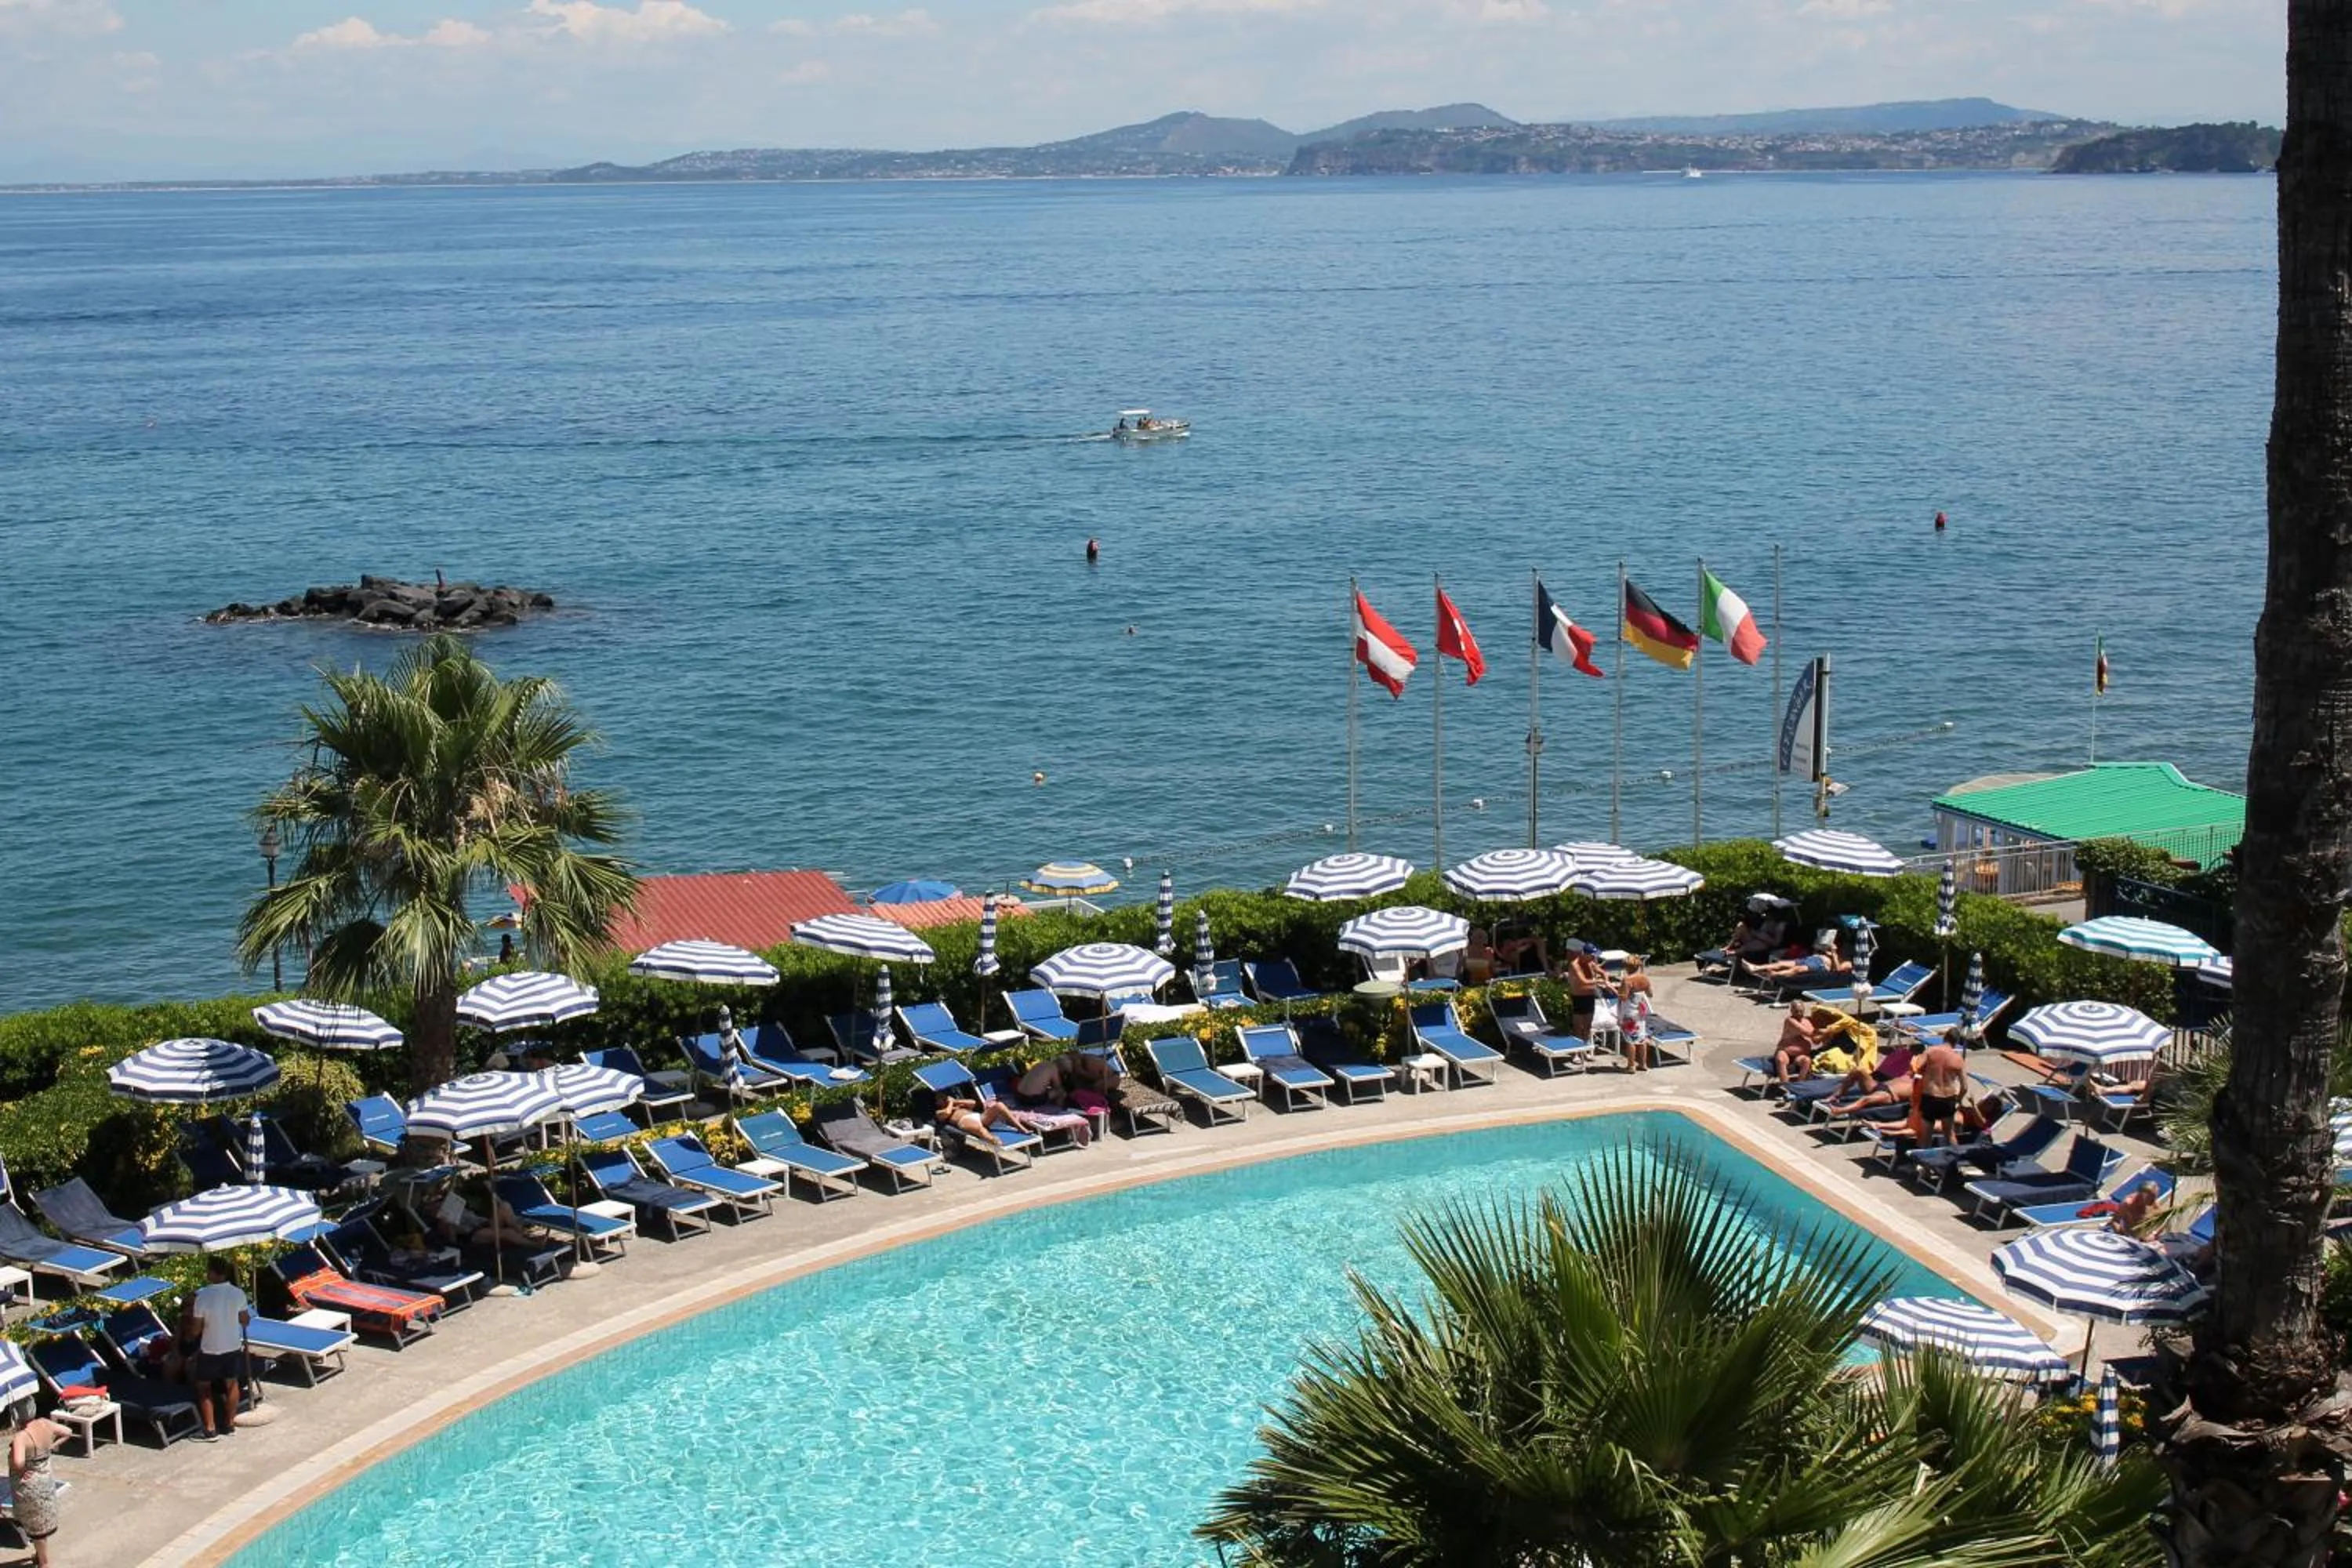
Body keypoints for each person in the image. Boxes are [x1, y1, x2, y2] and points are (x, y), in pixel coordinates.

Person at [186, 1255, 251, 1439]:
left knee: (204, 1387)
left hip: (210, 1349)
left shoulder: (202, 1296)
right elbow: (245, 1320)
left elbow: (196, 1330)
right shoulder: (238, 1293)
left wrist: (191, 1330)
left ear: (214, 1273)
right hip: (232, 1346)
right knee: (232, 1383)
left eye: (209, 1271)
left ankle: (210, 1428)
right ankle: (230, 1425)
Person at [8, 1402, 65, 1565]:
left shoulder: (21, 1437)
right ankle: (40, 1556)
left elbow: (18, 1462)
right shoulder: (45, 1424)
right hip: (45, 1480)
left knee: (35, 1526)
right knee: (41, 1523)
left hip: (29, 1486)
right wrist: (53, 1446)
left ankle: (44, 1562)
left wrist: (23, 1470)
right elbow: (68, 1431)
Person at [1915, 1030, 1970, 1147]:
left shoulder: (1931, 1051)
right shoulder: (1958, 1059)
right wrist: (1958, 1099)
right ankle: (1955, 1159)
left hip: (1930, 1096)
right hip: (1948, 1099)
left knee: (1926, 1135)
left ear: (1944, 1037)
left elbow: (1917, 1066)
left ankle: (1923, 1163)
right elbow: (1965, 1087)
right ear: (1957, 1042)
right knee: (1949, 1134)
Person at [1748, 932, 1852, 985]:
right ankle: (1756, 968)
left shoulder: (1848, 962)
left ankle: (1775, 975)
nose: (1844, 949)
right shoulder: (1837, 952)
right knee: (1781, 963)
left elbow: (1837, 970)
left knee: (1798, 969)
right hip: (1814, 959)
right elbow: (1818, 950)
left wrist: (1833, 953)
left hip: (1821, 966)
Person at [1564, 945, 1614, 1038]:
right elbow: (1583, 981)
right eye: (1592, 955)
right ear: (1584, 954)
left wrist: (1606, 981)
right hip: (1578, 997)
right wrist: (1600, 981)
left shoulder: (1591, 963)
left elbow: (1603, 973)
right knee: (1578, 1026)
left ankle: (1585, 1047)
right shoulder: (1575, 965)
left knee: (1588, 1025)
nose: (1594, 958)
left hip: (1590, 996)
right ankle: (1577, 1050)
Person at [1618, 956, 1656, 1071]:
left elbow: (1623, 997)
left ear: (1627, 967)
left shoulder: (1627, 980)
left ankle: (1631, 1066)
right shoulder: (1644, 978)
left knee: (1630, 1041)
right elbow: (1650, 995)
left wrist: (1614, 989)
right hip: (1640, 1013)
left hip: (1629, 1013)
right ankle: (1643, 1064)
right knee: (1642, 1039)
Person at [1770, 1002, 1819, 1087]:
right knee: (1781, 1060)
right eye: (1796, 1011)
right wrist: (1826, 1031)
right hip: (1785, 1051)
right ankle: (1787, 1086)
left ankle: (1799, 1086)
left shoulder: (1806, 1021)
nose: (1799, 1014)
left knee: (1806, 1061)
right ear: (1791, 1011)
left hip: (1799, 1055)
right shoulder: (1790, 1021)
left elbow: (1815, 1040)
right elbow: (1807, 1032)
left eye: (1801, 1011)